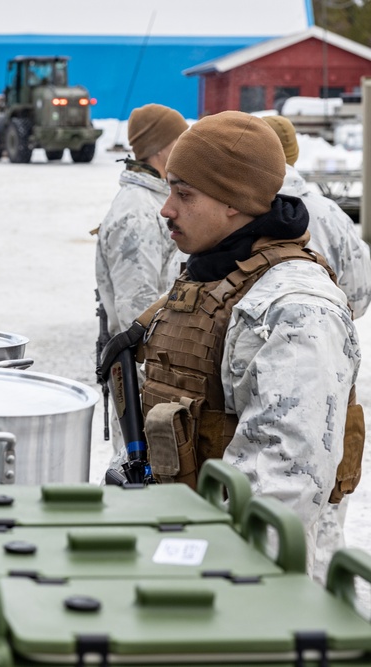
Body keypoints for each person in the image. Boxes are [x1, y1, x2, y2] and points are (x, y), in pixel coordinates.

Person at [102, 110, 362, 582]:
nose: (166, 209)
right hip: (187, 546)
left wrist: (209, 579)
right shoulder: (212, 275)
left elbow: (281, 488)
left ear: (233, 202)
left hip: (249, 581)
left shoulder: (295, 309)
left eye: (184, 194)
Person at [261, 114, 371, 318]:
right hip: (323, 339)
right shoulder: (330, 214)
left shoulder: (227, 212)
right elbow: (358, 297)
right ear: (294, 154)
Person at [95, 103, 189, 336]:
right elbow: (136, 308)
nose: (187, 151)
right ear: (158, 148)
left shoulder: (159, 199)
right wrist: (152, 370)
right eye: (180, 141)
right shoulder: (137, 214)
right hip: (146, 364)